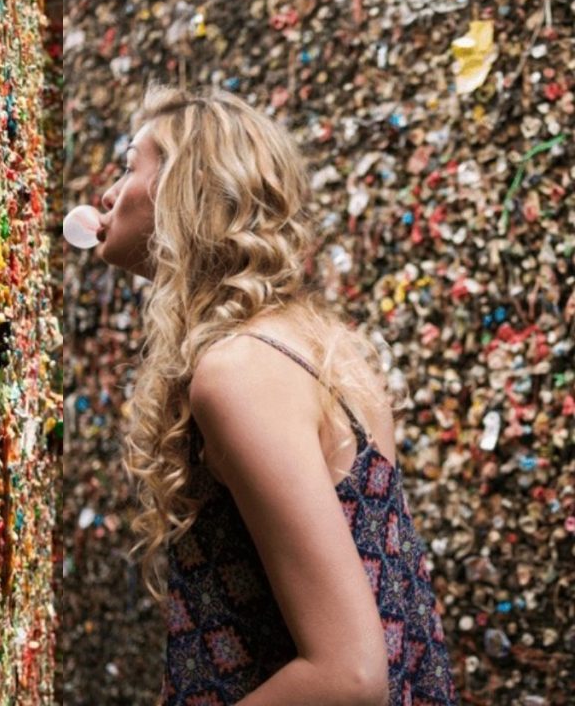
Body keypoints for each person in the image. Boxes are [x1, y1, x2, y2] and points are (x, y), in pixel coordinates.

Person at [91, 85, 458, 705]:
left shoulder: (239, 371)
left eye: (130, 166)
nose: (106, 194)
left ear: (186, 191)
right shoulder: (318, 347)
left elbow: (349, 675)